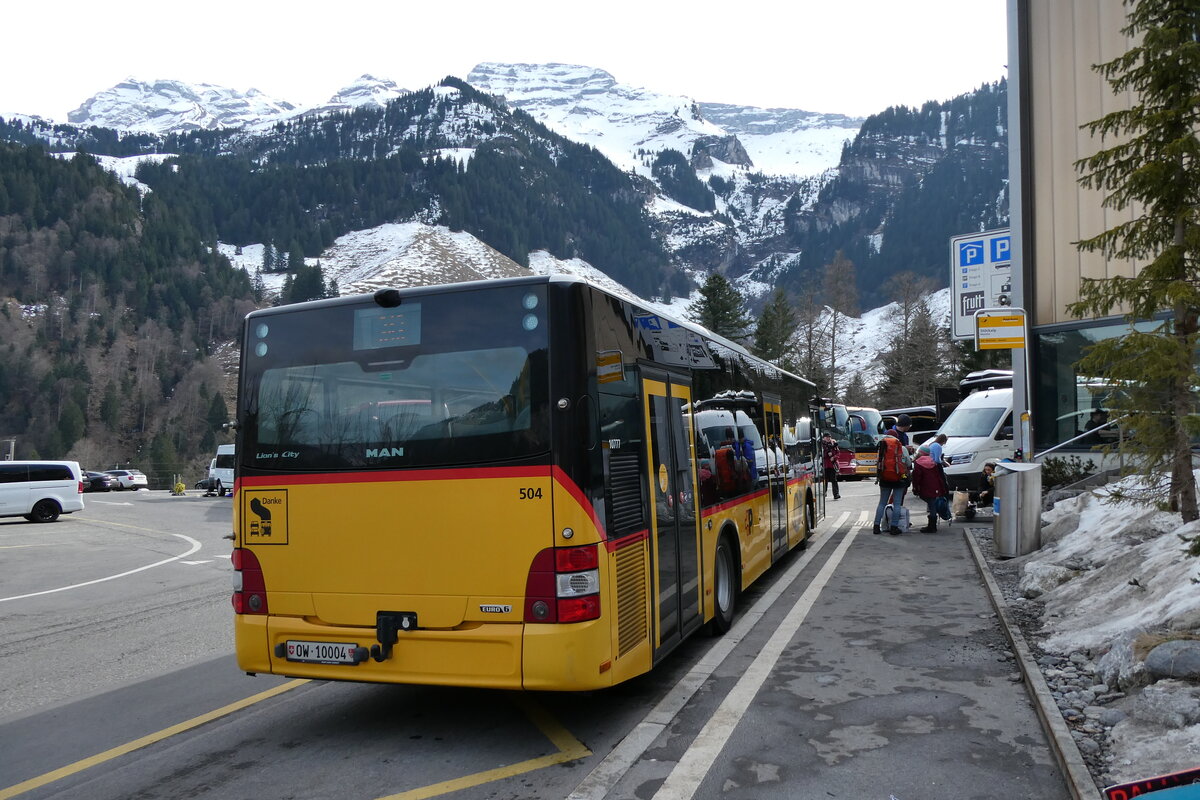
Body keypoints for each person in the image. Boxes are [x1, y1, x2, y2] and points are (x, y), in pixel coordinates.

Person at [873, 433, 908, 535]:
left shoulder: (882, 446)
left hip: (884, 477)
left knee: (882, 503)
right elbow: (908, 463)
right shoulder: (900, 446)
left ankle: (876, 526)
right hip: (898, 478)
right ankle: (894, 527)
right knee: (896, 504)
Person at [911, 453, 950, 533]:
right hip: (935, 485)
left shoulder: (918, 463)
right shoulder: (933, 462)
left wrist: (915, 488)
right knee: (932, 503)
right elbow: (939, 475)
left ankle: (932, 526)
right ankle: (932, 525)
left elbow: (916, 477)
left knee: (931, 504)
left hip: (925, 486)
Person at [884, 413, 915, 505]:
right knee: (902, 488)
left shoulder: (890, 434)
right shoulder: (894, 435)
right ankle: (895, 512)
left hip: (886, 471)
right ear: (905, 425)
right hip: (900, 471)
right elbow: (907, 461)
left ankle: (886, 514)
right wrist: (906, 449)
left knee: (885, 497)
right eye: (909, 425)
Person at [821, 432, 842, 500]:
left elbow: (838, 453)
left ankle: (836, 494)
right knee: (825, 480)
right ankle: (824, 492)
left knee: (834, 480)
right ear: (824, 438)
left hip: (832, 465)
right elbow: (820, 455)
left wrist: (834, 457)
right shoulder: (822, 445)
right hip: (825, 465)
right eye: (826, 437)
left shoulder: (833, 444)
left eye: (829, 437)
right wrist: (827, 454)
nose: (828, 438)